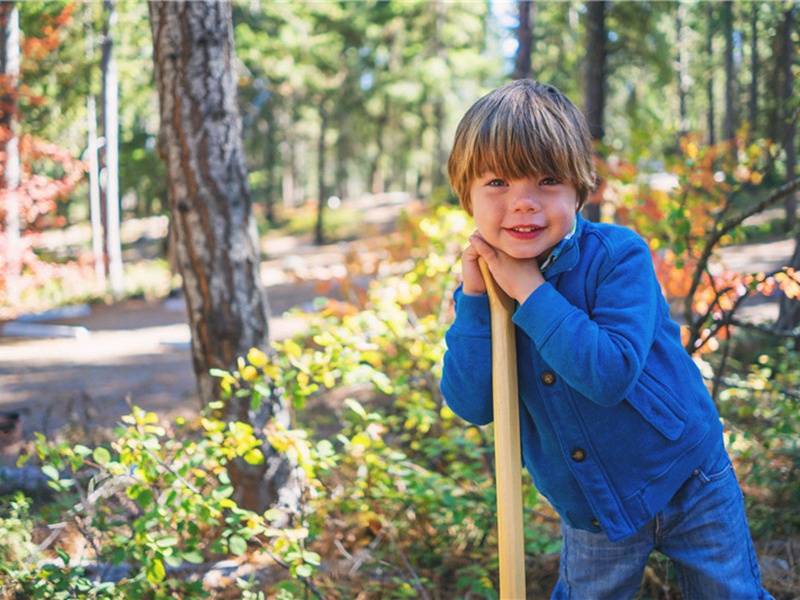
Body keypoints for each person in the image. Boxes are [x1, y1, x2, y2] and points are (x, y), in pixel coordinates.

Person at [440, 79, 773, 599]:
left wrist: (529, 290)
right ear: (467, 195)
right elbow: (472, 404)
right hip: (593, 506)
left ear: (580, 188)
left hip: (686, 474)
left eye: (547, 180)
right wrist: (478, 301)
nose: (523, 203)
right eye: (498, 182)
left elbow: (609, 372)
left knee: (729, 592)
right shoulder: (484, 287)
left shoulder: (617, 256)